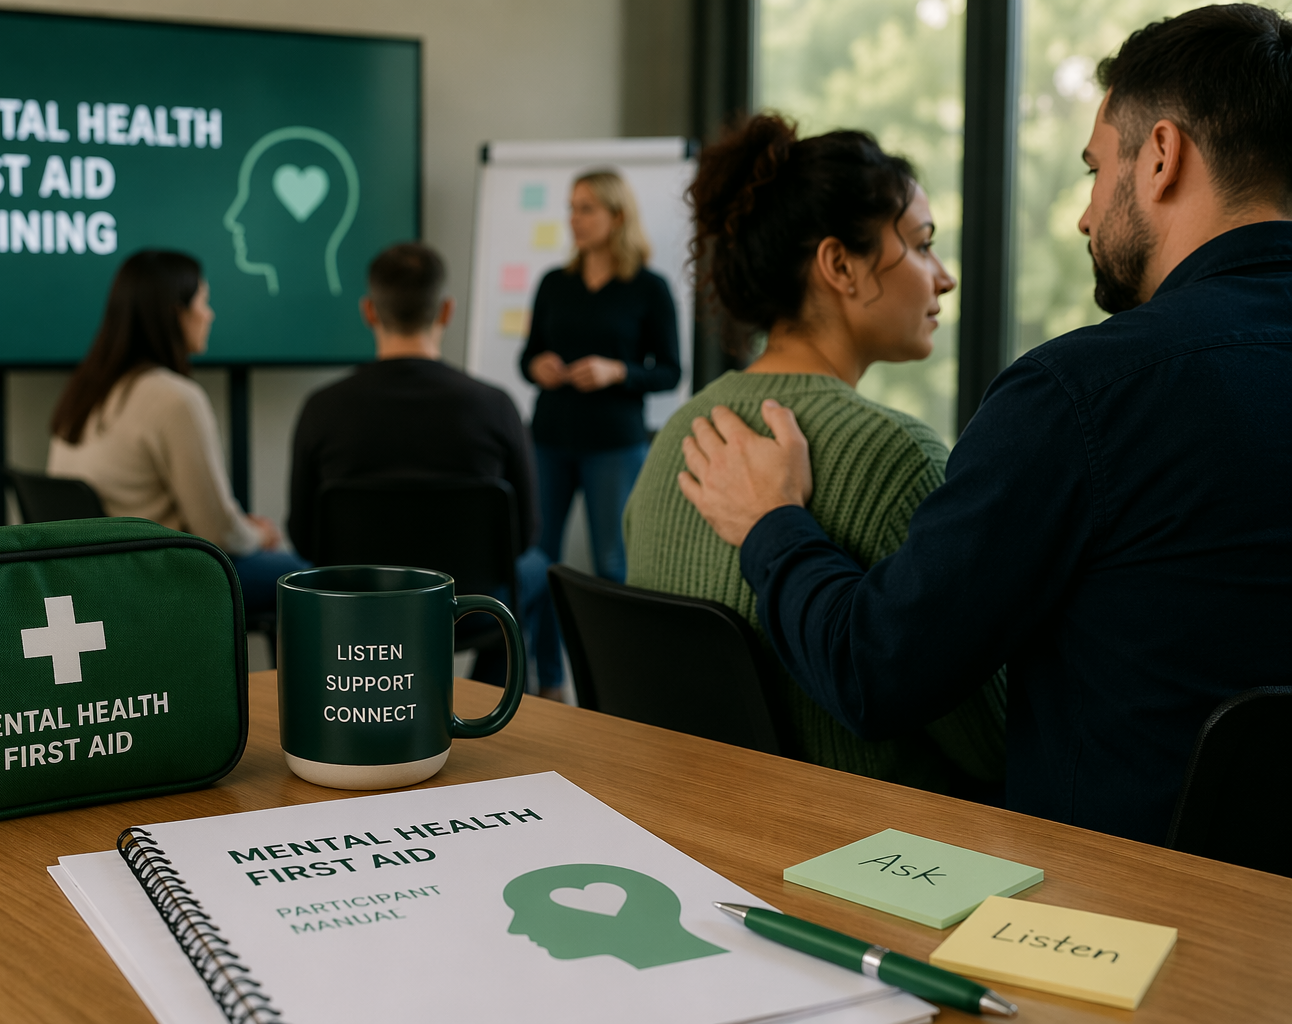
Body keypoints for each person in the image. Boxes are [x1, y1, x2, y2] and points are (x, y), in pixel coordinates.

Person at [677, 4, 1292, 844]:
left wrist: (773, 526)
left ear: (1160, 157)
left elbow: (878, 672)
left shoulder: (1082, 394)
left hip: (1114, 932)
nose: (1083, 215)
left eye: (1091, 170)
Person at [623, 117, 1006, 797]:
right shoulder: (897, 456)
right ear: (839, 266)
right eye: (921, 246)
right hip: (871, 857)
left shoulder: (677, 438)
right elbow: (994, 744)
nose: (943, 278)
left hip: (696, 838)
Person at [288, 243, 564, 699]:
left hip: (358, 610)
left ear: (369, 311)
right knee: (536, 570)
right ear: (447, 311)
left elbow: (304, 540)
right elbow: (523, 536)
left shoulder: (323, 409)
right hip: (466, 607)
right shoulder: (495, 406)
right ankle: (489, 707)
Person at [48, 250, 305, 616]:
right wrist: (259, 535)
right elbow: (217, 534)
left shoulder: (86, 390)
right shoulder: (175, 398)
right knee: (307, 580)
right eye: (203, 300)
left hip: (101, 574)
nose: (209, 313)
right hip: (162, 576)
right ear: (175, 313)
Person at [519, 170, 681, 584]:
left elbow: (670, 372)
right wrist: (538, 367)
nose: (574, 219)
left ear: (618, 216)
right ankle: (541, 653)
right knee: (538, 561)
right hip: (549, 438)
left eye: (586, 209)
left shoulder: (650, 288)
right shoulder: (554, 283)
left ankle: (609, 652)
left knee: (613, 564)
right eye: (571, 209)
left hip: (613, 445)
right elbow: (528, 357)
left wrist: (618, 372)